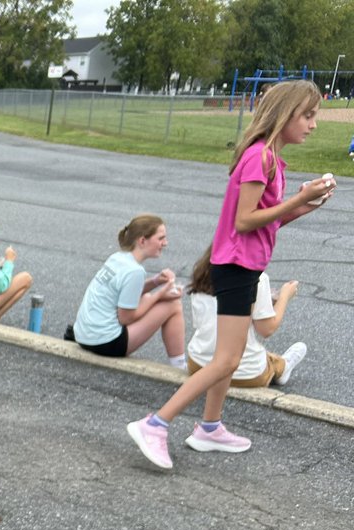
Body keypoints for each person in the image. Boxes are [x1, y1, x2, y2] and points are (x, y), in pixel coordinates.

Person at [127, 80, 334, 469]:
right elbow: (244, 221)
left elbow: (263, 224)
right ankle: (155, 424)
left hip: (242, 265)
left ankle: (209, 427)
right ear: (284, 114)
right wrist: (297, 199)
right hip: (236, 267)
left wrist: (305, 206)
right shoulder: (260, 158)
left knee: (231, 356)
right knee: (226, 360)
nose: (313, 124)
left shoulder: (268, 156)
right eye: (307, 115)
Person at [68, 214, 185, 365]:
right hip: (106, 343)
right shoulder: (134, 271)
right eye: (161, 238)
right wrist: (161, 294)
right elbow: (126, 318)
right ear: (142, 240)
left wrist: (156, 281)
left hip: (84, 336)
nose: (165, 243)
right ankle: (180, 367)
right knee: (173, 305)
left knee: (146, 297)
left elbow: (124, 294)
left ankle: (180, 365)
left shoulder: (118, 257)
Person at [185, 245, 307, 387]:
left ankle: (276, 362)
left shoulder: (202, 274)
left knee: (221, 339)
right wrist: (285, 295)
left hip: (197, 363)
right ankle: (281, 367)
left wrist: (265, 301)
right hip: (242, 372)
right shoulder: (255, 278)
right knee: (257, 356)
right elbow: (266, 329)